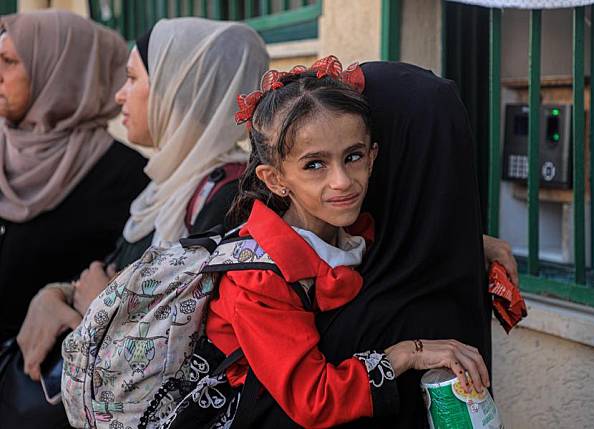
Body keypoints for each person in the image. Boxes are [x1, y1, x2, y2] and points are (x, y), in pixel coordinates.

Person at [199, 58, 489, 429]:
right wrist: (407, 353)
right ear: (274, 179)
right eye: (315, 165)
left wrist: (480, 244)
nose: (342, 181)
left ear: (373, 157)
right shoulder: (258, 278)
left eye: (352, 157)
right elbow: (314, 399)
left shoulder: (356, 229)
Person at [7, 17, 268, 427]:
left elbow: (192, 341)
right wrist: (53, 294)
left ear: (177, 88)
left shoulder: (229, 201)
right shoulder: (164, 186)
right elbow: (110, 269)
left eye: (132, 78)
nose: (119, 94)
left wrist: (101, 306)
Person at [0, 10, 149, 342]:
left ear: (61, 74)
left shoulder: (127, 177)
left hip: (45, 380)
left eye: (9, 61)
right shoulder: (4, 151)